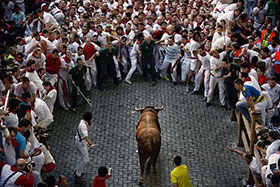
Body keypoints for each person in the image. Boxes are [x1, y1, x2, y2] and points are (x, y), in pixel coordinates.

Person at [74, 111, 95, 184]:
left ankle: (77, 170)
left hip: (80, 142)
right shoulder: (83, 126)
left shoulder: (83, 122)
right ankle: (78, 174)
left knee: (82, 158)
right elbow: (86, 136)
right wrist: (90, 143)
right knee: (86, 160)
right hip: (81, 143)